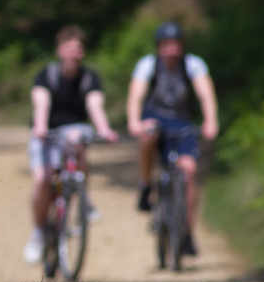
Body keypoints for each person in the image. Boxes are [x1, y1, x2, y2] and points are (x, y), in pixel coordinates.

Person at [24, 24, 118, 264]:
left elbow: (95, 107)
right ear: (58, 51)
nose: (73, 54)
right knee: (42, 180)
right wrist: (41, 127)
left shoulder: (89, 78)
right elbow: (41, 104)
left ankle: (82, 194)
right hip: (47, 132)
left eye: (77, 49)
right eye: (68, 48)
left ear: (83, 52)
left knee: (78, 138)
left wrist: (105, 130)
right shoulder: (47, 75)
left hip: (74, 130)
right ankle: (38, 232)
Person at [126, 21, 219, 257]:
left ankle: (187, 231)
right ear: (159, 47)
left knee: (188, 170)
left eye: (176, 45)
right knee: (148, 138)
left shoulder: (193, 65)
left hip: (181, 122)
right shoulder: (148, 65)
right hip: (154, 120)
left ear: (182, 46)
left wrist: (210, 121)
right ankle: (146, 185)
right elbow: (136, 95)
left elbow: (206, 95)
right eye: (166, 45)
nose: (172, 50)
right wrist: (135, 121)